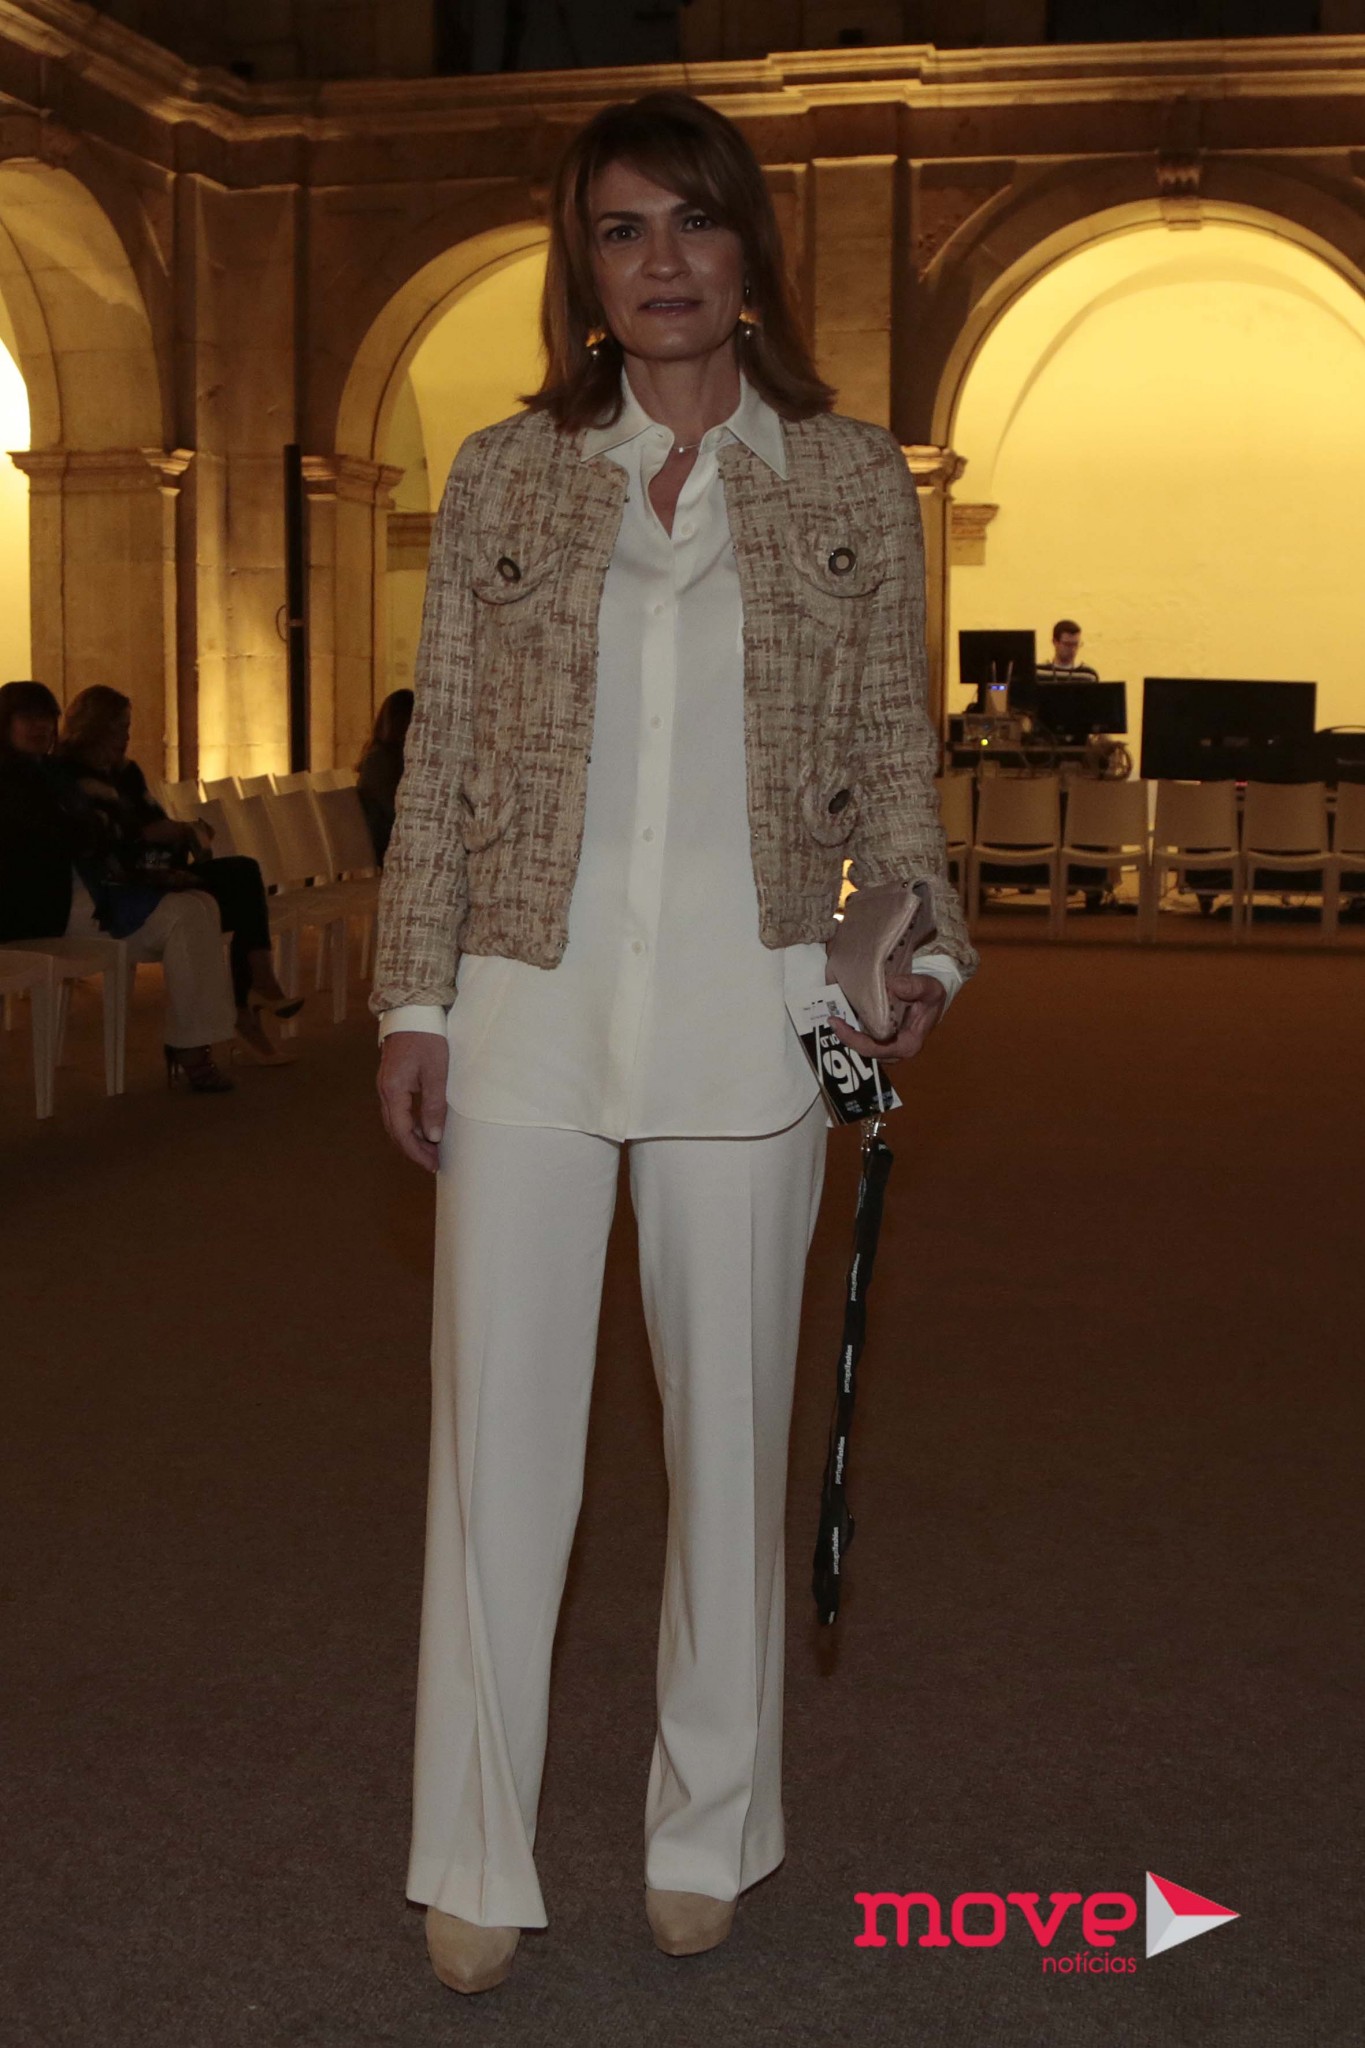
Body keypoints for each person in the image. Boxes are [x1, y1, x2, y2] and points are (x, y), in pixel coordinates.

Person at [372, 90, 977, 1997]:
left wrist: (920, 951)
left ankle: (706, 1825)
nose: (661, 262)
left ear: (747, 252)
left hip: (756, 1011)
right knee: (498, 1450)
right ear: (586, 265)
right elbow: (441, 757)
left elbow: (894, 753)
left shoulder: (849, 476)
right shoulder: (506, 473)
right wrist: (413, 997)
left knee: (728, 1446)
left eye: (693, 223)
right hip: (525, 1005)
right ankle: (473, 1846)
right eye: (623, 229)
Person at [356, 688, 414, 863]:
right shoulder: (381, 760)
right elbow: (395, 809)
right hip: (388, 842)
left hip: (388, 837)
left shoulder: (379, 756)